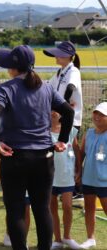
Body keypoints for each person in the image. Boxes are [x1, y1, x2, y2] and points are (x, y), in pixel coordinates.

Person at [0, 45, 74, 250]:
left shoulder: (5, 89)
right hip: (44, 158)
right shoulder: (46, 87)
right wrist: (62, 139)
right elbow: (68, 112)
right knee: (42, 210)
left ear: (13, 67)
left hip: (14, 157)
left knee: (16, 211)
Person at [43, 41, 83, 200]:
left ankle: (76, 187)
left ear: (68, 56)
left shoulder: (73, 71)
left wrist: (62, 106)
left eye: (58, 54)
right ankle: (59, 184)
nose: (55, 57)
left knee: (70, 152)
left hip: (71, 118)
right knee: (60, 152)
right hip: (59, 117)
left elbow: (71, 88)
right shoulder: (60, 72)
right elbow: (48, 86)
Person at [50, 111, 81, 249]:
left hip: (67, 175)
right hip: (49, 177)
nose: (53, 113)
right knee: (52, 208)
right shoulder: (42, 131)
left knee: (67, 206)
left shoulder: (70, 130)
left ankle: (67, 236)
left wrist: (79, 169)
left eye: (56, 109)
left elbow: (76, 149)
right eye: (50, 109)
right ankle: (57, 240)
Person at [79, 102, 107, 249]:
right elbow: (82, 153)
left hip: (104, 182)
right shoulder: (88, 133)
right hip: (88, 179)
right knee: (89, 209)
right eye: (96, 113)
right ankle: (90, 238)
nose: (97, 117)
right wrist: (78, 172)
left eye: (101, 114)